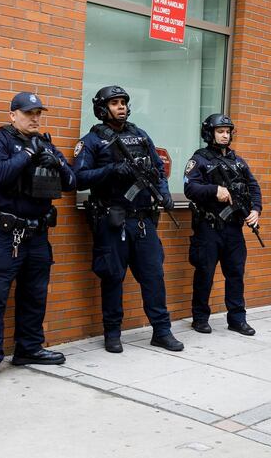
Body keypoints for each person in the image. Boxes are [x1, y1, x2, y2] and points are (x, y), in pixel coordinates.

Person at [73, 85, 184, 354]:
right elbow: (78, 178)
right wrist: (112, 170)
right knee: (112, 278)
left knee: (154, 277)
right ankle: (112, 333)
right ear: (102, 109)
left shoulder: (140, 135)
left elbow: (158, 169)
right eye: (114, 103)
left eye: (123, 102)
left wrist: (165, 194)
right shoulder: (91, 141)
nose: (121, 106)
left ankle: (162, 331)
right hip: (113, 221)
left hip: (144, 220)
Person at [0, 92, 76, 386]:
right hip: (7, 234)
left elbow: (71, 183)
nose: (34, 118)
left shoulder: (45, 142)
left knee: (35, 294)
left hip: (37, 234)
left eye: (38, 113)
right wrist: (28, 155)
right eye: (29, 113)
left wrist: (55, 163)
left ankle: (28, 348)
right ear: (13, 115)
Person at [184, 113, 262, 335]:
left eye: (228, 131)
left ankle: (237, 319)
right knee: (205, 274)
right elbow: (190, 188)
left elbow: (254, 187)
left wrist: (256, 210)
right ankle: (200, 318)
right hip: (208, 228)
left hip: (233, 229)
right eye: (220, 131)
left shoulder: (238, 162)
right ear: (210, 133)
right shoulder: (199, 159)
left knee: (236, 274)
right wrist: (214, 190)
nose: (225, 135)